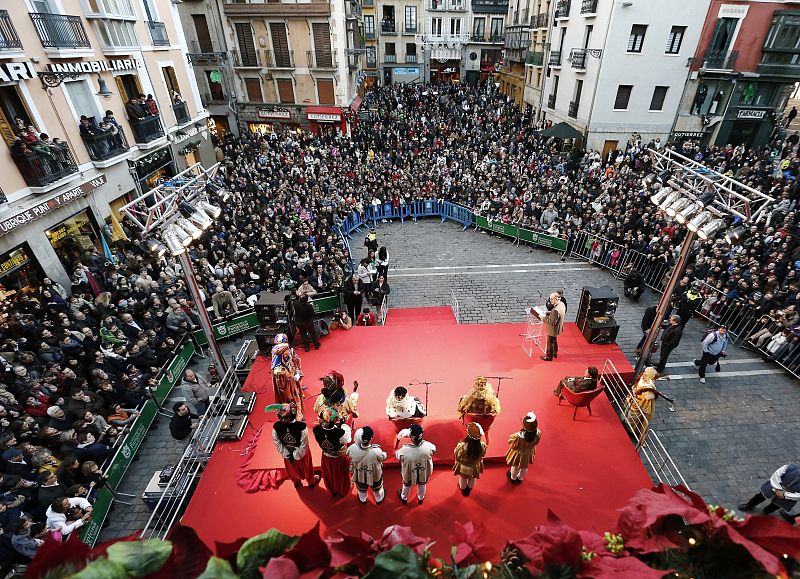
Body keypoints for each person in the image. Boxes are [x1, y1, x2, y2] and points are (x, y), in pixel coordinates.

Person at [269, 402, 319, 488]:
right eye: (280, 417)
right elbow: (277, 442)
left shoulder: (301, 427)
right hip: (287, 451)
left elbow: (304, 444)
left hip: (301, 453)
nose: (282, 420)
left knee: (306, 468)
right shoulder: (276, 427)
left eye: (285, 418)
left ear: (291, 416)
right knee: (291, 470)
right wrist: (286, 454)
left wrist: (296, 455)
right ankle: (296, 481)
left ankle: (310, 481)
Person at [312, 409, 352, 498]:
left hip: (326, 456)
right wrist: (343, 425)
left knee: (329, 474)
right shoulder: (340, 432)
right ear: (335, 420)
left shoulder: (316, 430)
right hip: (339, 459)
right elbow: (347, 439)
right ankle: (342, 490)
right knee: (341, 476)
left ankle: (332, 489)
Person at [395, 423, 436, 505]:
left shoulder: (404, 450)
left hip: (409, 473)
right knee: (422, 484)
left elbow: (398, 456)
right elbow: (433, 450)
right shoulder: (428, 446)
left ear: (411, 437)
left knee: (406, 485)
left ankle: (404, 498)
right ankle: (421, 498)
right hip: (423, 471)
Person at [347, 426, 387, 504]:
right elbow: (383, 457)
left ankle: (363, 499)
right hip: (374, 475)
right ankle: (379, 499)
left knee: (361, 489)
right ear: (371, 439)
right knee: (377, 488)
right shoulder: (376, 451)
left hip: (359, 474)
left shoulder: (352, 448)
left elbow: (348, 454)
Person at [271, 334, 305, 419]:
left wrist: (297, 371)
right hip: (284, 381)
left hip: (292, 376)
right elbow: (276, 371)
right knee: (288, 397)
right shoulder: (276, 355)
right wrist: (290, 376)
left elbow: (296, 359)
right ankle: (291, 414)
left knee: (296, 394)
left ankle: (297, 412)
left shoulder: (289, 349)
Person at [505, 412, 541, 484]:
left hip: (518, 454)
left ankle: (513, 478)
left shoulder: (518, 437)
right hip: (528, 453)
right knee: (525, 467)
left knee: (515, 466)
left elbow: (512, 445)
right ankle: (520, 478)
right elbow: (536, 442)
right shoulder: (538, 434)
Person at [453, 422, 486, 496]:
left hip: (463, 467)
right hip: (474, 466)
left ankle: (463, 490)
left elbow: (456, 455)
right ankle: (469, 490)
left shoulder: (461, 446)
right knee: (472, 478)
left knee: (463, 478)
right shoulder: (482, 446)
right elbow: (482, 455)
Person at [624, 367, 658, 439]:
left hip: (639, 403)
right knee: (631, 417)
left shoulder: (649, 386)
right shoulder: (646, 382)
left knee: (633, 419)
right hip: (636, 402)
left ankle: (630, 430)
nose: (644, 374)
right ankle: (628, 428)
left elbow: (648, 397)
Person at [541, 292, 566, 361]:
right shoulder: (561, 303)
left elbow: (552, 321)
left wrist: (542, 318)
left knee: (550, 342)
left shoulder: (555, 310)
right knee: (554, 340)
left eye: (552, 299)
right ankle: (555, 353)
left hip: (553, 328)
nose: (550, 301)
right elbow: (557, 315)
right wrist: (549, 313)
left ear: (556, 299)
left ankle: (549, 356)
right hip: (558, 327)